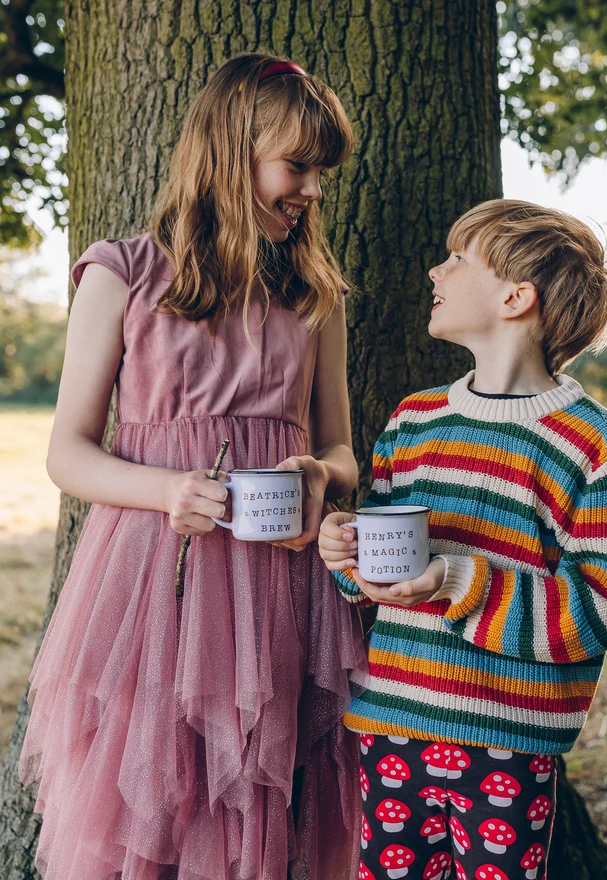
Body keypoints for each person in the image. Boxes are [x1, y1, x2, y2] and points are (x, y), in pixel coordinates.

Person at [19, 52, 367, 880]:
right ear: (230, 150)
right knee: (153, 793)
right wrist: (169, 488)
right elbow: (68, 451)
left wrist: (320, 477)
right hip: (151, 586)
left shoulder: (313, 296)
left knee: (267, 797)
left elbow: (343, 447)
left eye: (322, 173)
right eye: (297, 166)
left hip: (278, 589)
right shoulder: (123, 275)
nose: (313, 190)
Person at [319, 199, 607, 880]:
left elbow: (602, 609)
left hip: (507, 746)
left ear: (516, 297)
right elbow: (376, 572)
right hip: (392, 725)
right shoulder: (415, 419)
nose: (436, 271)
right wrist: (345, 553)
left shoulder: (589, 442)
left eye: (458, 258)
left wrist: (456, 580)